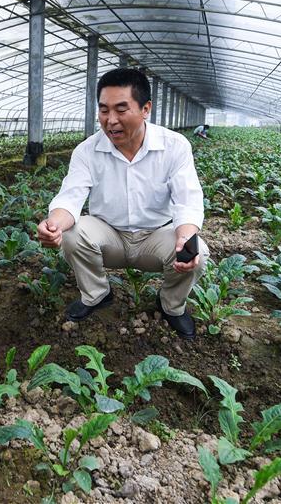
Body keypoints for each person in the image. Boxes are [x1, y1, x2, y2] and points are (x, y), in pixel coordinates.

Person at [37, 68, 209, 339]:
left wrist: (184, 239)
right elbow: (70, 197)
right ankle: (97, 294)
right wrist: (53, 225)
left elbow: (187, 200)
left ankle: (171, 306)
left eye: (121, 109)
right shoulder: (87, 151)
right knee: (71, 232)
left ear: (145, 109)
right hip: (110, 236)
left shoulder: (175, 146)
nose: (111, 120)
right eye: (104, 110)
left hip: (156, 237)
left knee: (197, 252)